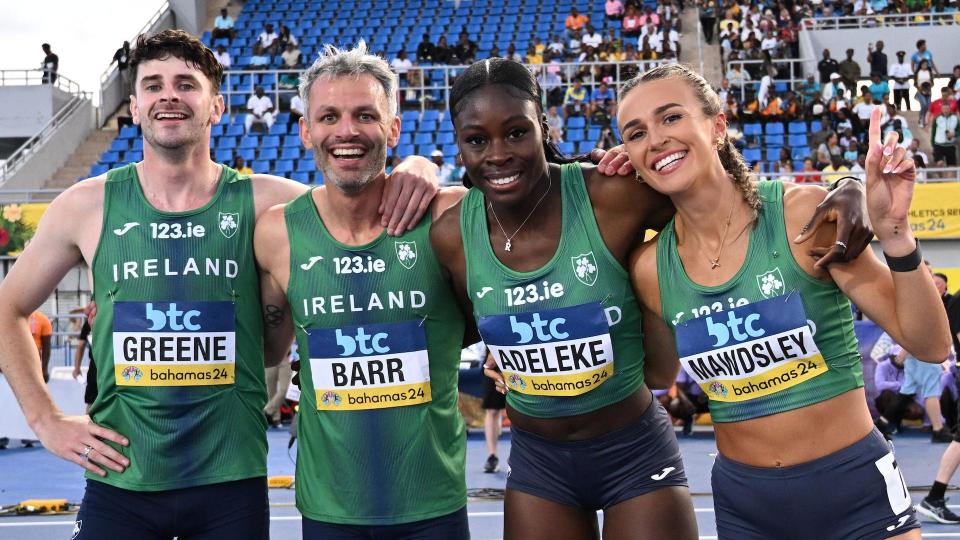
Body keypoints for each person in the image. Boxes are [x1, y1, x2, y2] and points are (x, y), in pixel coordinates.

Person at [0, 29, 441, 540]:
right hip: (121, 482)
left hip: (231, 486)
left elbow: (361, 199)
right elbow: (8, 309)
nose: (169, 95)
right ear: (135, 107)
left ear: (216, 107)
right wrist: (44, 419)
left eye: (186, 84)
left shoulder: (269, 202)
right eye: (153, 85)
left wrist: (418, 166)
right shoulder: (84, 205)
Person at [430, 58, 870, 540]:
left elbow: (725, 198)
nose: (498, 153)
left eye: (517, 132)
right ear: (458, 141)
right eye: (476, 140)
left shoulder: (614, 195)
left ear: (543, 126)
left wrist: (849, 186)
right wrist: (512, 340)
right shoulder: (453, 235)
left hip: (634, 453)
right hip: (540, 463)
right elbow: (467, 325)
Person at [618, 62, 951, 540]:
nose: (656, 139)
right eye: (636, 133)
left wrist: (896, 235)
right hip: (747, 505)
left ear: (716, 126)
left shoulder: (802, 215)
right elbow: (655, 373)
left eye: (671, 118)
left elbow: (932, 344)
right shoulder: (650, 268)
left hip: (855, 492)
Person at [253, 41, 472, 538]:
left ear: (393, 128)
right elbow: (268, 347)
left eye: (365, 115)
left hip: (431, 505)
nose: (346, 131)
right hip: (330, 509)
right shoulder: (275, 233)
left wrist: (424, 165)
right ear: (306, 130)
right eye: (328, 116)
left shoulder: (448, 215)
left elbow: (538, 199)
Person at [72, 316, 98, 412]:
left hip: (99, 372)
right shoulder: (89, 323)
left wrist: (77, 369)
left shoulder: (91, 321)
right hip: (96, 372)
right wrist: (77, 368)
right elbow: (81, 346)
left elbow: (81, 346)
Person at [29, 311, 53, 383]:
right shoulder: (12, 318)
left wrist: (44, 369)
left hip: (35, 362)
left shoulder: (43, 319)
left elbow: (46, 347)